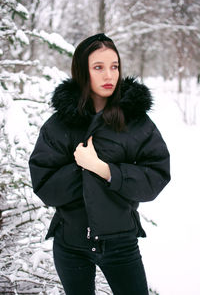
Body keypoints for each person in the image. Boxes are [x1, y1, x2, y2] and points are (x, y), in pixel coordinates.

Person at [29, 33, 170, 295]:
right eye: (98, 67)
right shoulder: (60, 125)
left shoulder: (135, 121)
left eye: (114, 66)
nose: (109, 75)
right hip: (70, 244)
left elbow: (155, 177)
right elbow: (45, 187)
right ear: (82, 72)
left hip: (121, 244)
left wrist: (102, 168)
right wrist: (79, 167)